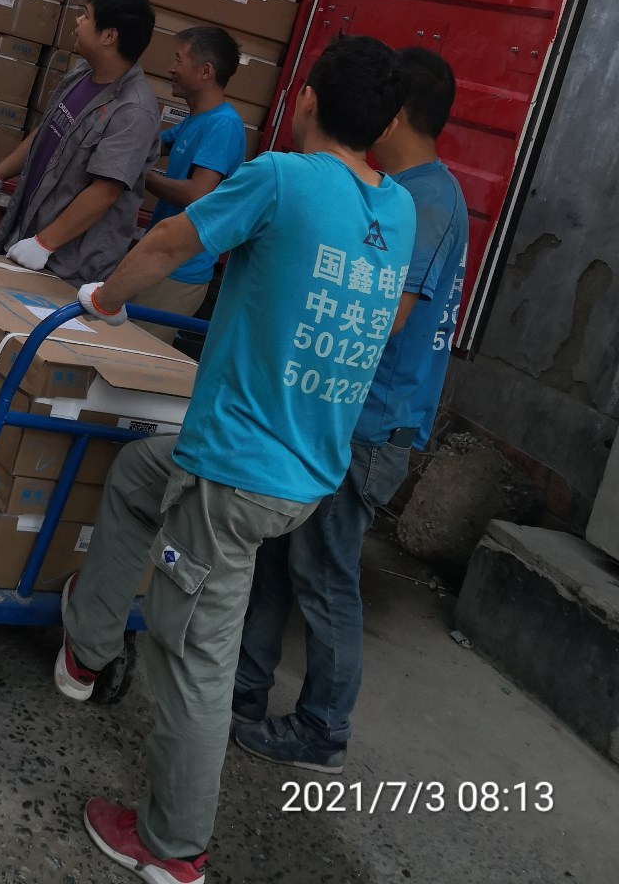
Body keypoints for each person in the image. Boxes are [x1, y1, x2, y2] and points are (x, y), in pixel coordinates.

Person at [53, 35, 416, 884]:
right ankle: (89, 645)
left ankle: (172, 849)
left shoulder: (283, 177)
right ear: (383, 128)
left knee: (195, 659)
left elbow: (170, 244)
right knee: (141, 472)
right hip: (306, 471)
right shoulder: (397, 208)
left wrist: (103, 298)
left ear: (306, 99)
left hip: (236, 477)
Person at [232, 47, 469, 772]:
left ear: (395, 114)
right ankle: (242, 688)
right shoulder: (409, 191)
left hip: (366, 427)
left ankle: (322, 730)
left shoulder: (424, 202)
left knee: (325, 577)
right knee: (279, 556)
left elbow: (384, 318)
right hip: (339, 414)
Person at [0, 0, 159, 285]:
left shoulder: (133, 110)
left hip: (68, 265)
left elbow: (105, 192)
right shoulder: (83, 73)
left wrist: (44, 243)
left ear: (109, 36)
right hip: (29, 236)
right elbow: (48, 129)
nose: (78, 20)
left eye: (86, 15)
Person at [134, 26, 247, 342]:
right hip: (159, 259)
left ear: (206, 71)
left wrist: (139, 174)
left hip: (179, 271)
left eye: (179, 60)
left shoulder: (222, 125)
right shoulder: (196, 120)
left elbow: (197, 193)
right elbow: (151, 145)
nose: (171, 68)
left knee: (135, 353)